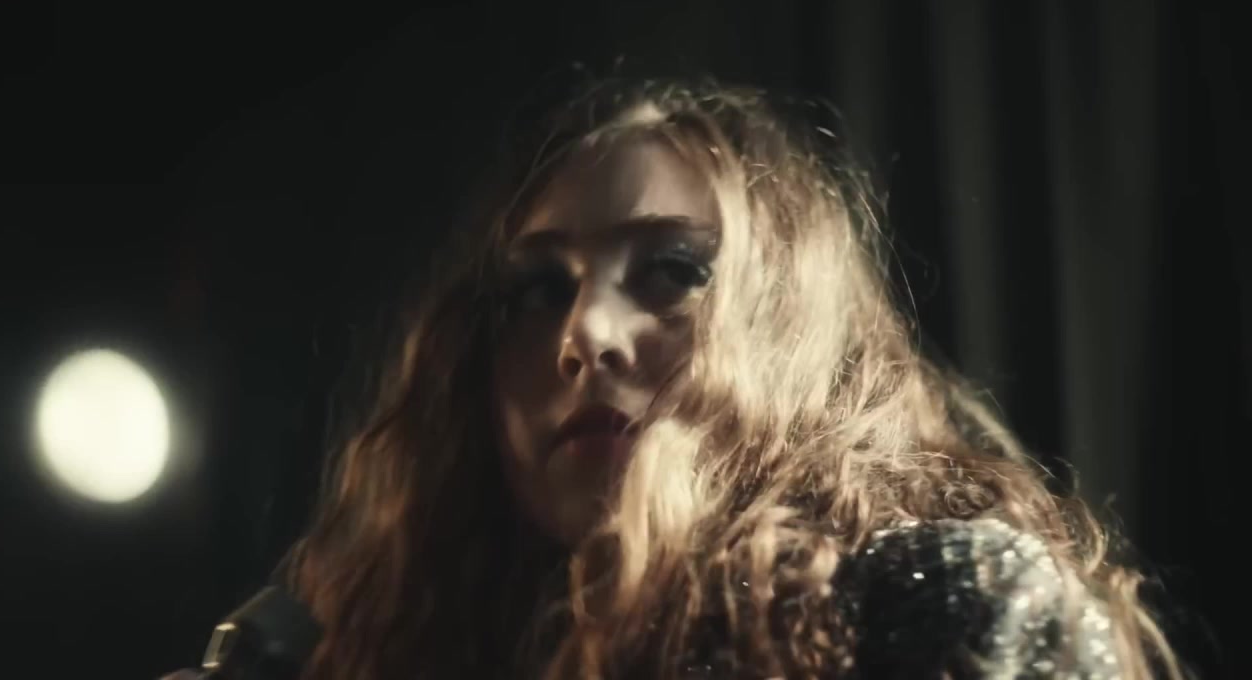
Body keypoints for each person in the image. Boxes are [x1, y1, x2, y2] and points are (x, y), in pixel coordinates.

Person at [167, 71, 1182, 679]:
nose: (585, 334)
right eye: (537, 290)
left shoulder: (950, 606)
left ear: (790, 329)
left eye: (672, 271)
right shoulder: (395, 652)